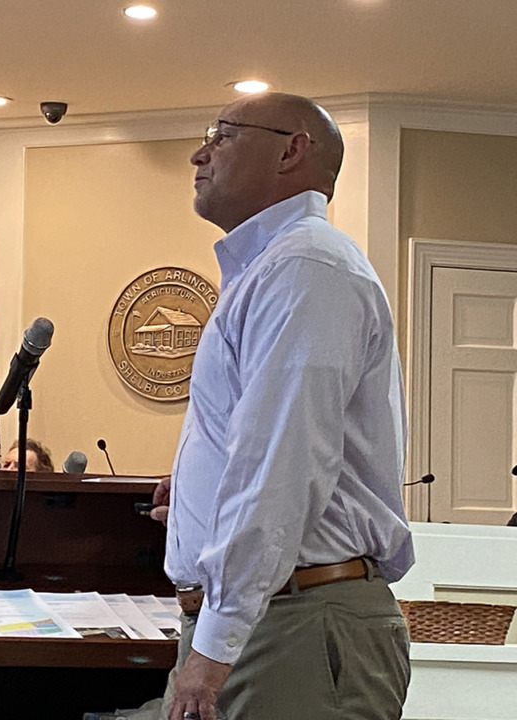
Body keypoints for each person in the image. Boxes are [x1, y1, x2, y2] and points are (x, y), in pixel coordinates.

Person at [133, 93, 414, 720]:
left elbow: (282, 467)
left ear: (291, 150)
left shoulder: (305, 267)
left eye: (223, 135)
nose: (198, 153)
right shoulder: (273, 268)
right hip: (268, 620)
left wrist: (214, 647)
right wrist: (200, 494)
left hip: (294, 627)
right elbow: (274, 448)